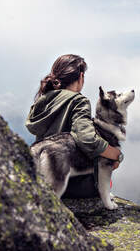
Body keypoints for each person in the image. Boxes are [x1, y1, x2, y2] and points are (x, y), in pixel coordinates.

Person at [25, 54, 121, 196]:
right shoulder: (79, 101)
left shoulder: (42, 99)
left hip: (41, 173)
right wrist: (115, 154)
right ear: (81, 76)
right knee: (105, 180)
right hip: (68, 180)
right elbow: (86, 137)